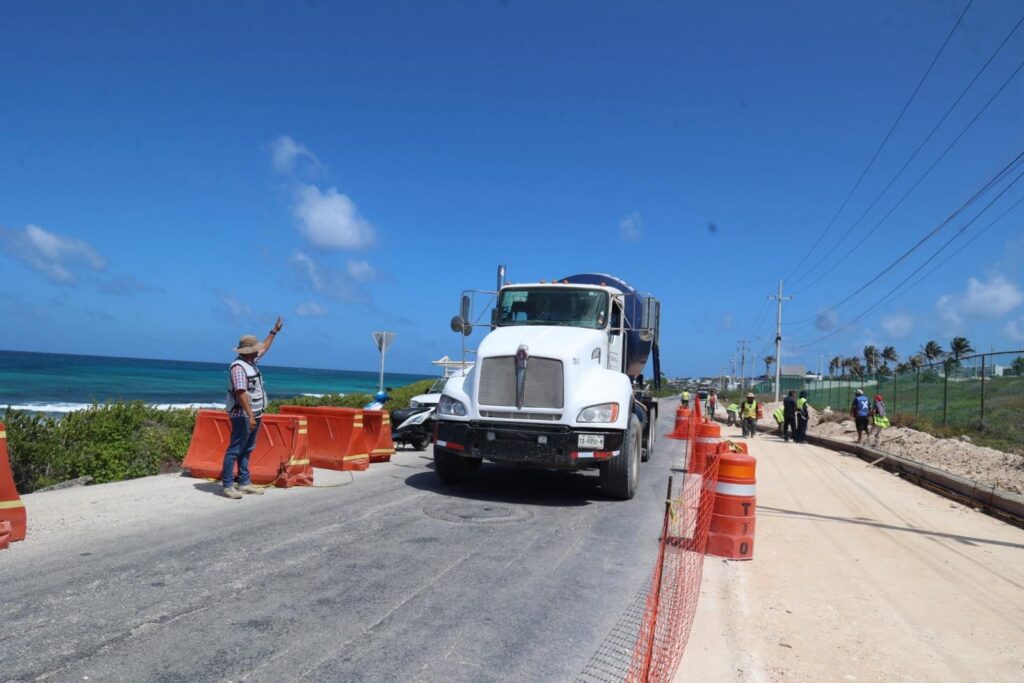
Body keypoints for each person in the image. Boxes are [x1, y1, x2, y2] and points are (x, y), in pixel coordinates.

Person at [221, 317, 284, 499]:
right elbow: (241, 393)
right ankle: (228, 485)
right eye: (254, 349)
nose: (258, 351)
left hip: (254, 413)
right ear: (248, 351)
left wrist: (274, 332)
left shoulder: (250, 362)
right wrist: (250, 416)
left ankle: (244, 482)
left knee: (248, 448)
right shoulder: (238, 368)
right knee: (235, 449)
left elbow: (264, 347)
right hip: (243, 415)